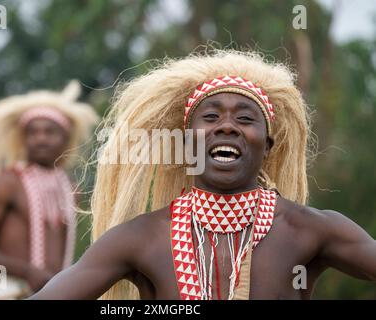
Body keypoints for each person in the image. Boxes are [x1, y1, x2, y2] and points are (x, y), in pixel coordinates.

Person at [30, 50, 376, 300]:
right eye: (210, 118)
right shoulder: (141, 238)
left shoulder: (310, 230)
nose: (227, 126)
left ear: (267, 146)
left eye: (244, 119)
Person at [0, 81, 98, 299]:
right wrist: (25, 272)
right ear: (24, 139)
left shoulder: (70, 189)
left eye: (50, 132)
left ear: (66, 138)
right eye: (33, 132)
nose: (40, 138)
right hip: (9, 291)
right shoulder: (10, 182)